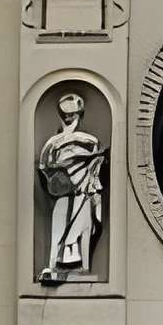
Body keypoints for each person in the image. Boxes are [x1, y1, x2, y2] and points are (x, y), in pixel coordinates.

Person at [37, 90, 106, 284]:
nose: (68, 118)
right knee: (59, 228)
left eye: (72, 114)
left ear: (79, 114)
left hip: (83, 192)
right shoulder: (52, 143)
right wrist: (57, 180)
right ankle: (53, 265)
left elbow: (97, 164)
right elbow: (44, 166)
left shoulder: (90, 141)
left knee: (84, 226)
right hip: (63, 192)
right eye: (64, 114)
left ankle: (84, 267)